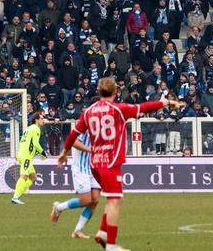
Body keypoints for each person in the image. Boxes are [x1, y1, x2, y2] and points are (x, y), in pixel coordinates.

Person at [59, 77, 183, 250]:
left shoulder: (88, 112)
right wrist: (168, 102)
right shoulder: (118, 109)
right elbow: (145, 107)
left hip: (95, 163)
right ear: (115, 92)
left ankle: (102, 234)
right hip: (110, 163)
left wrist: (64, 152)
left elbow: (73, 134)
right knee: (115, 201)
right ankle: (111, 245)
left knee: (112, 200)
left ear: (99, 91)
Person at [51, 130, 99, 239]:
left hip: (95, 167)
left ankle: (78, 230)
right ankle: (58, 208)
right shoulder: (88, 125)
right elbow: (74, 141)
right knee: (86, 200)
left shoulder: (105, 125)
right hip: (81, 168)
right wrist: (89, 149)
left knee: (95, 200)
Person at [11, 112, 45, 204]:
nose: (43, 120)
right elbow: (35, 143)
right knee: (24, 176)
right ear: (36, 120)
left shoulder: (28, 128)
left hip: (23, 154)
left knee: (33, 177)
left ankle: (17, 196)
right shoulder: (36, 129)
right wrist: (43, 153)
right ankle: (15, 197)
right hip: (26, 156)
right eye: (41, 118)